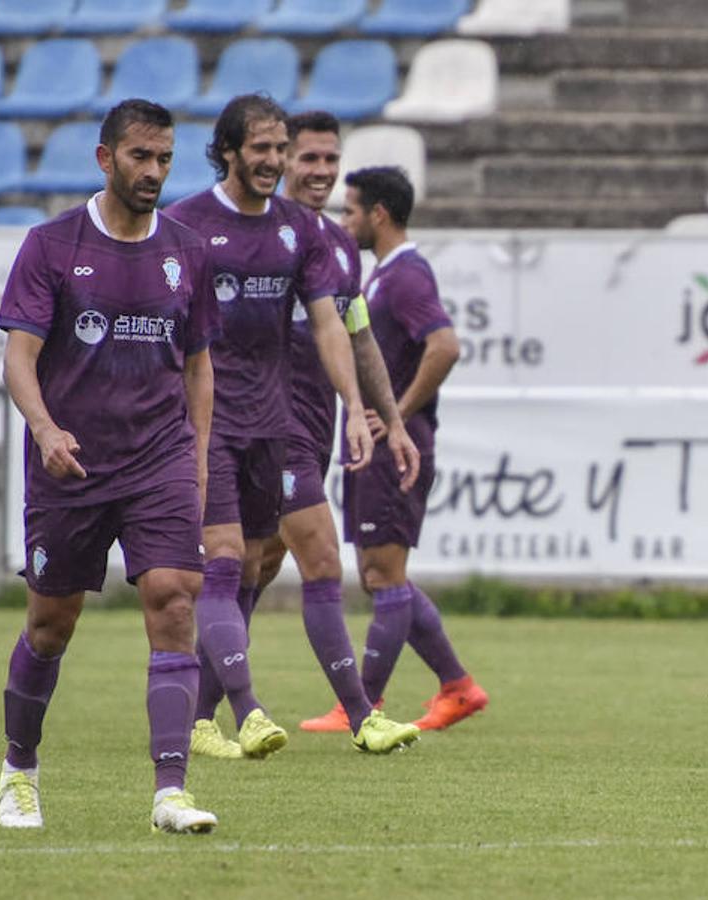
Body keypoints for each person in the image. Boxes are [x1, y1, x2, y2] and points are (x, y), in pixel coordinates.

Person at [0, 99, 219, 832]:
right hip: (73, 466)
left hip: (158, 458)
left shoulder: (187, 250)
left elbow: (198, 370)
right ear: (105, 158)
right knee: (51, 624)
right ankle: (19, 770)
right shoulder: (52, 245)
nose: (153, 171)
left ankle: (170, 792)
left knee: (175, 599)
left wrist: (199, 459)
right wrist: (45, 428)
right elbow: (19, 357)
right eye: (139, 157)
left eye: (164, 159)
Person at [165, 94, 409, 758]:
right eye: (264, 149)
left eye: (282, 148)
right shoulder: (184, 226)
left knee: (251, 567)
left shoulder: (300, 231)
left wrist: (357, 407)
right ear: (229, 152)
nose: (274, 161)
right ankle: (254, 711)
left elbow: (333, 324)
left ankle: (203, 716)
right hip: (209, 425)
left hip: (275, 425)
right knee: (225, 565)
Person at [246, 110, 422, 745]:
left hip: (316, 430)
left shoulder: (341, 246)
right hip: (265, 429)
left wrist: (391, 421)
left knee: (256, 567)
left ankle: (208, 710)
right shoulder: (252, 237)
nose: (320, 171)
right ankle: (361, 714)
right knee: (320, 559)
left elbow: (360, 337)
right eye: (308, 158)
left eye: (330, 160)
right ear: (279, 160)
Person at [301, 165, 488, 734]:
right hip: (379, 448)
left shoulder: (405, 276)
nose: (343, 220)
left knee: (384, 575)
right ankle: (457, 687)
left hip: (396, 448)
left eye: (350, 210)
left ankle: (363, 704)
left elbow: (445, 346)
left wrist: (396, 416)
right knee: (383, 574)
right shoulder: (382, 276)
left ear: (378, 214)